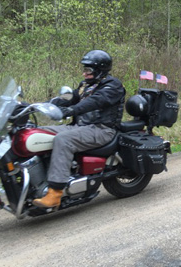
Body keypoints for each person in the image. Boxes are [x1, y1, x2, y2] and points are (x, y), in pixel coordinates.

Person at [33, 50, 126, 208]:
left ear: (100, 69)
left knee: (64, 140)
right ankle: (37, 181)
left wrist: (71, 111)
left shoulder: (112, 86)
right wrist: (42, 105)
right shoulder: (86, 85)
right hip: (81, 127)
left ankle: (55, 192)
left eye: (88, 69)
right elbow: (71, 98)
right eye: (84, 68)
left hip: (101, 130)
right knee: (38, 133)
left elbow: (94, 102)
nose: (84, 72)